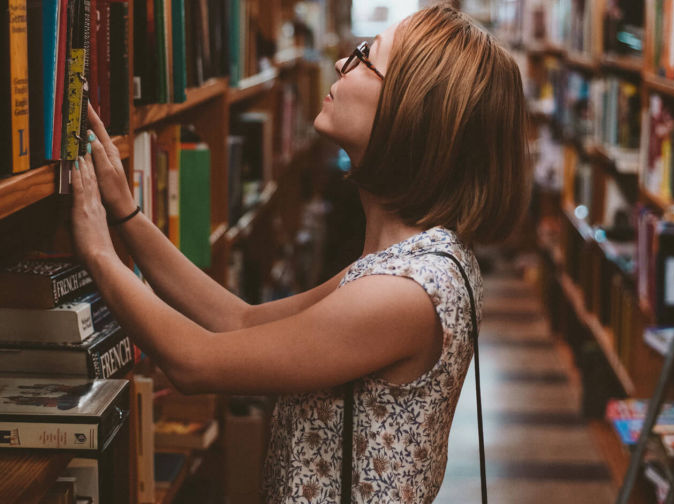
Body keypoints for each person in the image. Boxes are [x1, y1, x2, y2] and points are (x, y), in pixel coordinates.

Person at [71, 3, 529, 503]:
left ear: (410, 111)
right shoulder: (408, 261)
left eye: (364, 57)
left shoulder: (403, 293)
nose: (340, 64)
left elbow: (193, 363)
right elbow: (240, 321)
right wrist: (127, 217)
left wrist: (98, 252)